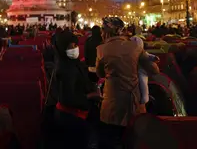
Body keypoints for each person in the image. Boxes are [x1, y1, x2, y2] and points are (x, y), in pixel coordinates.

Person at [96, 17, 159, 149]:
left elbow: (100, 74)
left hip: (112, 106)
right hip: (134, 104)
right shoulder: (135, 47)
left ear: (107, 32)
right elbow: (154, 70)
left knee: (112, 139)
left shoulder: (101, 50)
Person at [54, 28, 95, 148]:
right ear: (62, 48)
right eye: (71, 46)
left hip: (74, 117)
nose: (75, 49)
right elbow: (68, 98)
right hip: (70, 119)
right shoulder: (65, 69)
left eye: (76, 45)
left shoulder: (71, 63)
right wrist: (91, 96)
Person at [130, 36, 160, 105]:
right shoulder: (141, 53)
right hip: (140, 71)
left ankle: (145, 98)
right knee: (143, 82)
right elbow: (154, 70)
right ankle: (145, 98)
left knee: (143, 82)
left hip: (138, 71)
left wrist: (154, 58)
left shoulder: (128, 54)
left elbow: (149, 56)